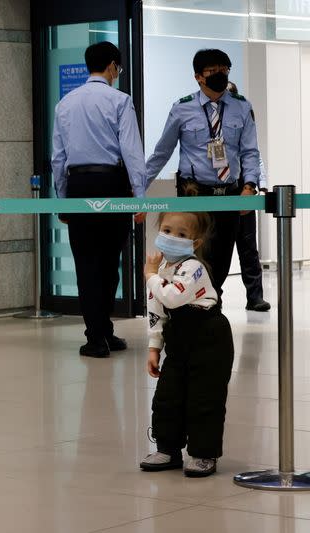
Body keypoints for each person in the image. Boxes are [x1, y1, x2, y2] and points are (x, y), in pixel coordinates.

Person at [50, 41, 148, 358]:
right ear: (111, 67)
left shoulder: (64, 104)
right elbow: (132, 152)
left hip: (78, 184)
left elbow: (57, 158)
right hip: (112, 184)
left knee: (86, 263)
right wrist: (140, 197)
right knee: (109, 262)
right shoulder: (120, 101)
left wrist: (63, 198)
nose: (117, 73)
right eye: (117, 68)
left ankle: (98, 335)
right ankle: (102, 331)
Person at [146, 49, 261, 296]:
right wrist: (137, 188)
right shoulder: (182, 108)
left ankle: (211, 302)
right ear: (198, 76)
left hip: (229, 194)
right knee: (192, 256)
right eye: (213, 71)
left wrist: (249, 187)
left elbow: (250, 151)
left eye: (224, 69)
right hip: (194, 195)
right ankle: (192, 306)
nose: (220, 74)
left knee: (221, 258)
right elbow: (161, 153)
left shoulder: (242, 107)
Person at [140, 211, 234, 477]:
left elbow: (172, 297)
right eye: (167, 230)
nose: (172, 238)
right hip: (179, 340)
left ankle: (204, 453)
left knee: (204, 398)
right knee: (168, 396)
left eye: (181, 235)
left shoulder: (194, 268)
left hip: (209, 338)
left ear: (195, 242)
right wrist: (154, 348)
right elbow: (156, 311)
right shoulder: (159, 272)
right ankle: (167, 448)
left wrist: (150, 276)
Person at [227, 82, 270, 312]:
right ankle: (213, 298)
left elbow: (255, 154)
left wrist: (259, 184)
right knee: (215, 248)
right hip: (219, 189)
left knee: (248, 247)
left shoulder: (244, 112)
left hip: (244, 189)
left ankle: (255, 296)